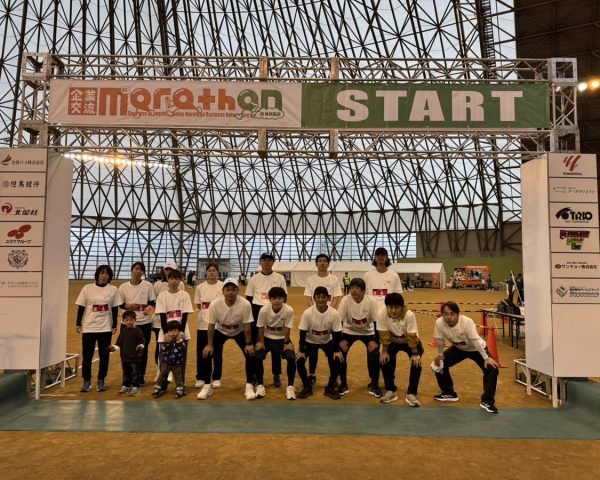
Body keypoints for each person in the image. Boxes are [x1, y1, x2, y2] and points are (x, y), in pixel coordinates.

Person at [432, 301, 500, 413]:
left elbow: (475, 340)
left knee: (492, 369)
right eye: (445, 314)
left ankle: (487, 401)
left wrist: (486, 358)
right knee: (437, 366)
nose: (449, 317)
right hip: (459, 348)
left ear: (458, 314)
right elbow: (440, 340)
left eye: (452, 314)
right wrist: (440, 355)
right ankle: (448, 393)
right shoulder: (439, 323)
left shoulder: (466, 322)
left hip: (477, 349)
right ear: (442, 314)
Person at [199, 278, 256, 400]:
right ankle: (207, 385)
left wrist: (249, 343)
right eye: (227, 289)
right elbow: (211, 326)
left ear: (238, 291)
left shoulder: (245, 304)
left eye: (233, 289)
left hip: (239, 330)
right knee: (207, 353)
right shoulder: (215, 304)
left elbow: (247, 325)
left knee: (250, 353)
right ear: (223, 291)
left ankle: (249, 385)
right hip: (221, 330)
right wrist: (209, 345)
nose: (230, 292)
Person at [75, 265, 121, 393]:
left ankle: (101, 380)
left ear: (109, 276)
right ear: (97, 274)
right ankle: (86, 381)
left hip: (105, 327)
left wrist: (114, 324)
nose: (104, 276)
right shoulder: (87, 288)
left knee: (104, 355)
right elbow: (81, 306)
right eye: (102, 273)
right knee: (87, 355)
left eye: (107, 274)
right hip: (89, 327)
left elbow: (115, 308)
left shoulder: (113, 289)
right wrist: (78, 323)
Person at [245, 252, 288, 387]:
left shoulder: (279, 278)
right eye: (264, 260)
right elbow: (249, 299)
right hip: (257, 311)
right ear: (260, 262)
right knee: (256, 344)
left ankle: (276, 375)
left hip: (274, 311)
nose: (267, 262)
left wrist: (276, 310)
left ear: (273, 262)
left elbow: (284, 297)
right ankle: (255, 374)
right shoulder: (254, 278)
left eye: (269, 260)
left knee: (275, 345)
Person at [296, 286, 344, 400]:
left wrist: (337, 351)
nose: (321, 299)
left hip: (327, 340)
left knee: (338, 359)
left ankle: (330, 387)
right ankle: (307, 387)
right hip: (310, 341)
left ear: (328, 298)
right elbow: (302, 332)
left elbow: (337, 334)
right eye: (318, 297)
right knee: (299, 361)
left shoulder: (334, 314)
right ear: (314, 298)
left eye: (324, 297)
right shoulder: (307, 313)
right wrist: (301, 350)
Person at [336, 278, 381, 397]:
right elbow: (338, 321)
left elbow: (376, 322)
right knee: (340, 353)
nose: (354, 291)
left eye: (357, 288)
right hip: (349, 330)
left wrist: (376, 341)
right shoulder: (345, 300)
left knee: (374, 355)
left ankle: (374, 383)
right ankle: (343, 383)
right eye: (352, 288)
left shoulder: (371, 301)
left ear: (364, 290)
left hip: (368, 331)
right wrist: (340, 340)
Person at [303, 254, 343, 385]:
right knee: (312, 349)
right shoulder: (310, 280)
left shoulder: (334, 279)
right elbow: (309, 298)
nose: (322, 263)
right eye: (319, 261)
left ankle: (334, 377)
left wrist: (328, 311)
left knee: (332, 349)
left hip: (329, 317)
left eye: (325, 261)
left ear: (328, 263)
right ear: (316, 263)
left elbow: (336, 297)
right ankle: (312, 374)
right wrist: (315, 312)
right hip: (314, 317)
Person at [377, 293, 424, 406]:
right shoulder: (381, 313)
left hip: (410, 342)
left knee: (416, 363)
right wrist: (384, 351)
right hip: (392, 341)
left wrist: (415, 354)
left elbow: (412, 336)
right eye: (390, 307)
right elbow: (384, 334)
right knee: (384, 360)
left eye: (397, 307)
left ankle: (411, 394)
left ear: (402, 307)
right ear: (386, 306)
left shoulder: (409, 315)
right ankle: (390, 390)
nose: (393, 310)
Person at [154, 269, 194, 395]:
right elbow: (162, 315)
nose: (174, 281)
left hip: (181, 332)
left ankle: (181, 385)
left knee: (181, 361)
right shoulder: (162, 296)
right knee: (163, 361)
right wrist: (166, 333)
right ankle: (162, 385)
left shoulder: (184, 295)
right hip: (165, 333)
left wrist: (181, 332)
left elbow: (185, 314)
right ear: (168, 280)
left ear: (180, 280)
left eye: (177, 278)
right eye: (171, 278)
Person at [255, 287, 297, 400]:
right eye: (274, 298)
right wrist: (261, 342)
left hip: (282, 337)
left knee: (291, 357)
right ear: (270, 299)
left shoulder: (289, 310)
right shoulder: (264, 310)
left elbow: (287, 328)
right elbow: (260, 327)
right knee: (257, 356)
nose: (277, 301)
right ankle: (260, 385)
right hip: (266, 337)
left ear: (284, 299)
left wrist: (287, 342)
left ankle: (290, 387)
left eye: (279, 298)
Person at [118, 262, 156, 386]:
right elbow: (120, 304)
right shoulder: (123, 287)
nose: (138, 271)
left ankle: (140, 376)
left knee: (142, 350)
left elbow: (152, 302)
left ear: (143, 272)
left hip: (144, 323)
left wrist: (148, 308)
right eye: (136, 269)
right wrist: (127, 306)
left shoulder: (148, 285)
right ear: (132, 270)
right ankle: (128, 377)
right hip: (127, 324)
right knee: (126, 351)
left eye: (141, 270)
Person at [193, 263, 224, 389]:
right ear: (206, 272)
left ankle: (216, 377)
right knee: (201, 351)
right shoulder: (200, 287)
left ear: (218, 272)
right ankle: (200, 377)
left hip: (218, 325)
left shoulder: (222, 286)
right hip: (203, 324)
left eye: (214, 270)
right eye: (209, 270)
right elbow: (198, 305)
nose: (211, 272)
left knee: (217, 352)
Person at [152, 261, 184, 375]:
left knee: (175, 345)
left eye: (171, 269)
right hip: (159, 321)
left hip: (175, 322)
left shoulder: (180, 284)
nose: (168, 271)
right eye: (166, 269)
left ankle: (171, 370)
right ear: (163, 271)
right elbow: (154, 302)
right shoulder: (157, 285)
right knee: (161, 346)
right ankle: (159, 370)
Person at [108, 310, 145, 395]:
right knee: (126, 373)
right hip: (125, 357)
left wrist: (140, 347)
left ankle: (136, 387)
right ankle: (125, 385)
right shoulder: (123, 331)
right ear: (123, 321)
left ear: (135, 320)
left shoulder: (137, 330)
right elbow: (119, 343)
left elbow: (142, 341)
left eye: (131, 320)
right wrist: (113, 348)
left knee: (135, 373)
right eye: (127, 320)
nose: (129, 322)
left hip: (135, 357)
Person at [152, 321, 187, 399]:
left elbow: (183, 348)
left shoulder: (180, 341)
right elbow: (163, 349)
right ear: (167, 332)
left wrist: (178, 341)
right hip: (166, 363)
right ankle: (157, 388)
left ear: (179, 331)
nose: (173, 333)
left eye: (175, 331)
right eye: (170, 331)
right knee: (161, 376)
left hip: (177, 364)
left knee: (178, 378)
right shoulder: (166, 340)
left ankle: (179, 389)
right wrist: (167, 342)